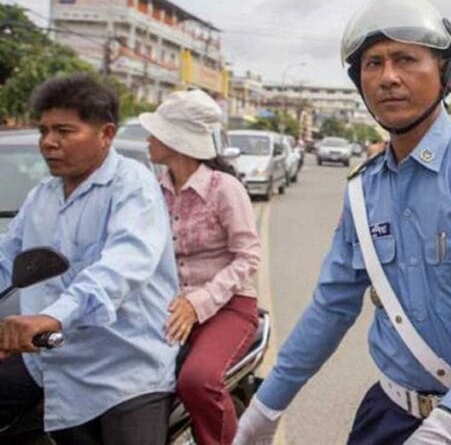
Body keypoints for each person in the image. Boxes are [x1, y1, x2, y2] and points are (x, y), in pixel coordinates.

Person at [234, 0, 451, 445]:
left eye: (406, 59)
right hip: (390, 416)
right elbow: (332, 306)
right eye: (373, 64)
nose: (388, 77)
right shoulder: (364, 190)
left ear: (444, 73)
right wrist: (267, 406)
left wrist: (449, 425)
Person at [0, 73, 178, 443]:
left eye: (64, 131)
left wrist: (52, 316)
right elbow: (7, 258)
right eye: (44, 130)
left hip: (122, 368)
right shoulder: (42, 197)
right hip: (49, 358)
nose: (48, 142)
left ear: (106, 134)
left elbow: (122, 266)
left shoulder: (133, 186)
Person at [141, 89, 261, 445]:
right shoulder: (152, 191)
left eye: (156, 131)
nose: (148, 138)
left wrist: (200, 301)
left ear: (177, 142)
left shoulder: (224, 189)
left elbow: (249, 256)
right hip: (167, 307)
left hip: (228, 306)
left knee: (197, 380)